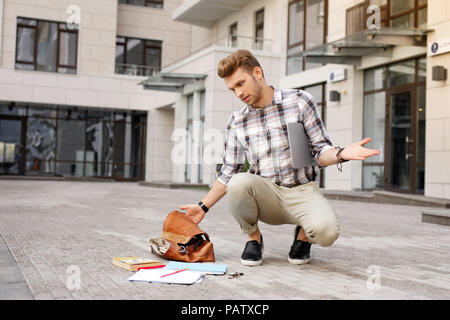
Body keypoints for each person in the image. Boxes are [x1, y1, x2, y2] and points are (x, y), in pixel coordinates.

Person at [179, 49, 380, 266]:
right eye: (232, 89)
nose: (238, 93)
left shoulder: (300, 102)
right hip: (265, 193)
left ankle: (303, 235)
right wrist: (203, 206)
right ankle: (253, 239)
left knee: (327, 232)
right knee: (238, 182)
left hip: (301, 191)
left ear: (257, 72)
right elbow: (229, 171)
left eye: (241, 83)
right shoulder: (237, 121)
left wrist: (341, 154)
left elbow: (321, 151)